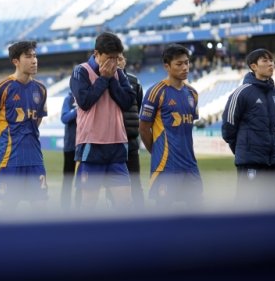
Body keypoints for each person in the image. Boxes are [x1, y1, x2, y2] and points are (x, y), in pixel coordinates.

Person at [69, 32, 135, 210]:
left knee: (125, 203)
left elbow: (127, 102)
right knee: (88, 204)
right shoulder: (80, 71)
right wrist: (104, 78)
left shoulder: (119, 73)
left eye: (116, 58)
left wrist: (111, 78)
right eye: (108, 58)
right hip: (91, 145)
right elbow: (85, 102)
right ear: (96, 54)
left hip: (117, 145)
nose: (112, 63)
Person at [0, 41, 48, 209]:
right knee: (9, 211)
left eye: (35, 56)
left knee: (40, 209)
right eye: (28, 57)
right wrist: (3, 143)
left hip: (35, 159)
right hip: (9, 160)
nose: (34, 60)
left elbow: (37, 120)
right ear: (16, 61)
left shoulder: (41, 89)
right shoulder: (0, 88)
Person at [139, 44, 202, 209]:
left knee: (195, 213)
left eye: (187, 63)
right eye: (179, 64)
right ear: (167, 66)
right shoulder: (156, 92)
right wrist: (156, 151)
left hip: (190, 165)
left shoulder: (192, 94)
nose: (185, 67)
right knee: (164, 215)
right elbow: (144, 128)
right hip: (166, 166)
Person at [221, 49, 275, 206]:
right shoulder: (242, 92)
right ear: (253, 66)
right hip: (250, 161)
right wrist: (244, 150)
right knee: (245, 207)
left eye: (271, 61)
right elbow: (228, 127)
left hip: (274, 161)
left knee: (269, 207)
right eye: (265, 61)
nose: (270, 64)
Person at [118, 53, 145, 208]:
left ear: (125, 61)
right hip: (113, 141)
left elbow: (138, 106)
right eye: (115, 59)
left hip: (131, 141)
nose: (118, 62)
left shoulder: (134, 81)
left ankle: (140, 214)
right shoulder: (107, 80)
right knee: (115, 184)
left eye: (121, 59)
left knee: (135, 181)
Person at [60, 90, 77, 211]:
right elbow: (64, 118)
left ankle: (81, 207)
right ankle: (65, 207)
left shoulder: (88, 95)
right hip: (71, 146)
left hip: (85, 146)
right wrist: (78, 110)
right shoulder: (69, 99)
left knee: (84, 179)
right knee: (68, 179)